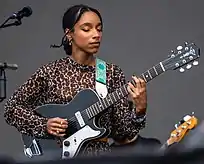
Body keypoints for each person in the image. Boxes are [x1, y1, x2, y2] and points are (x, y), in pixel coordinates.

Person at [4, 4, 149, 157]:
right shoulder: (51, 71)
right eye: (87, 29)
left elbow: (122, 134)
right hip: (57, 157)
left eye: (99, 29)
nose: (96, 34)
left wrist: (139, 111)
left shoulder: (111, 73)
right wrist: (44, 125)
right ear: (69, 34)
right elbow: (11, 108)